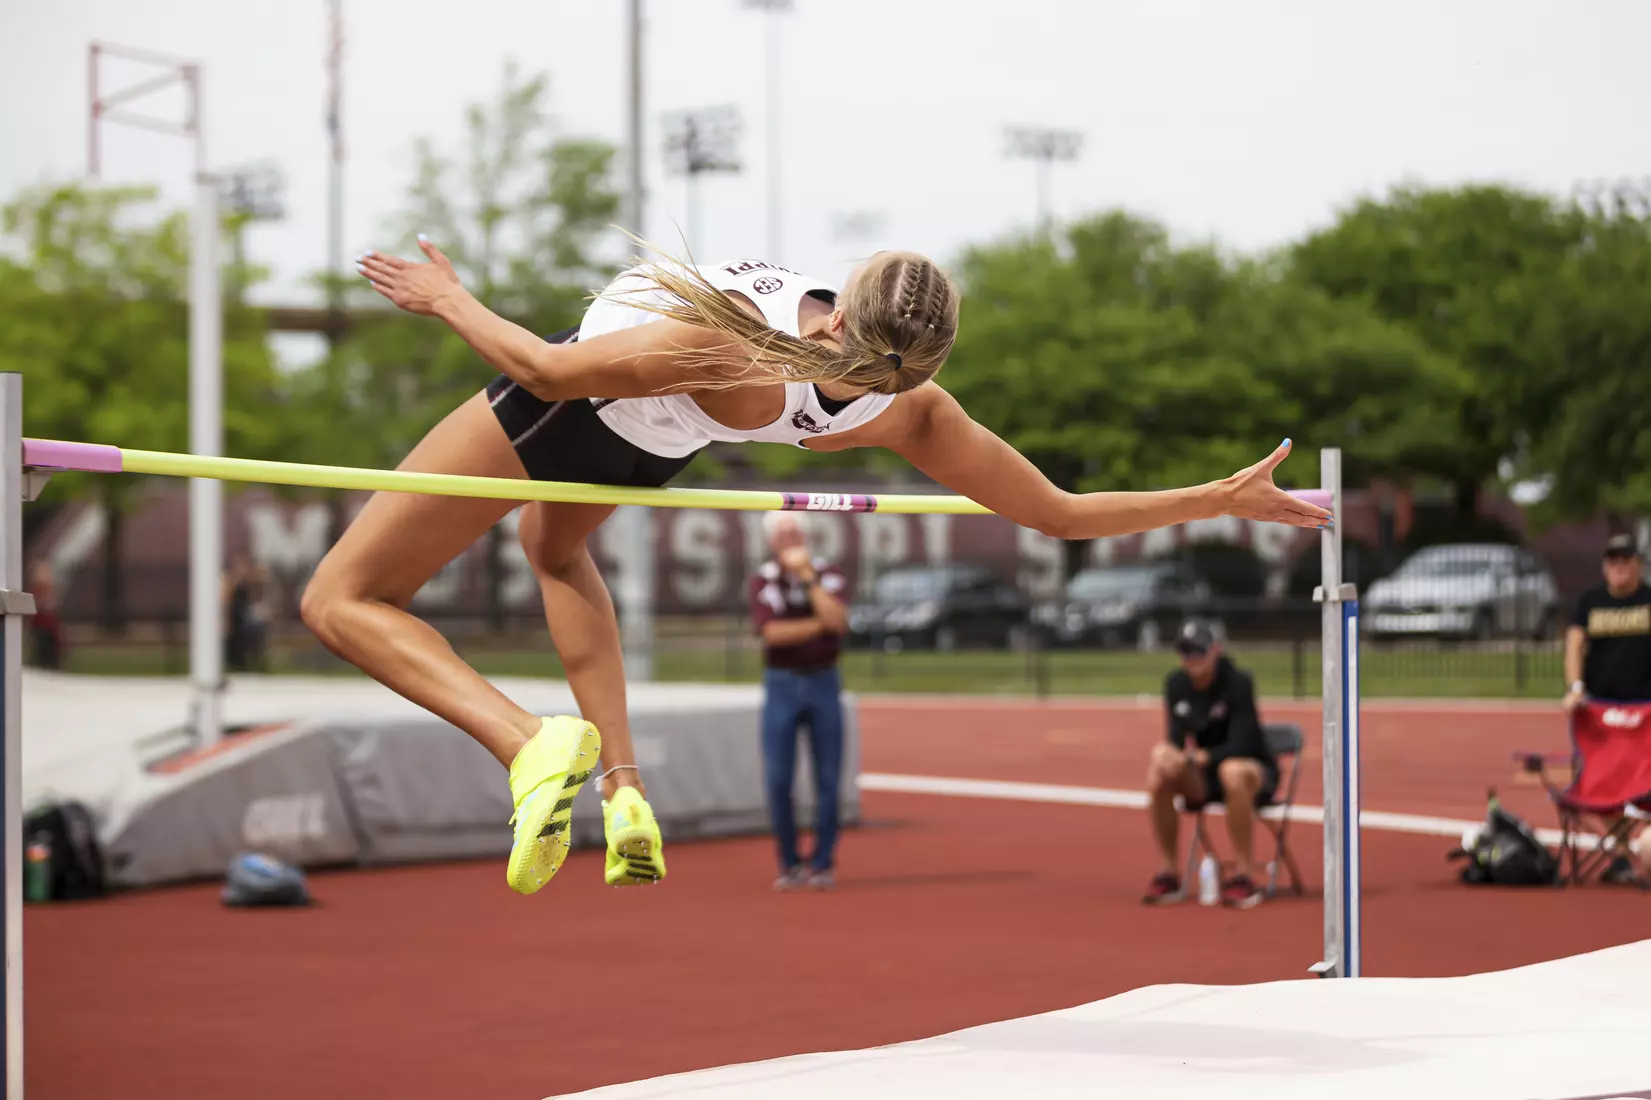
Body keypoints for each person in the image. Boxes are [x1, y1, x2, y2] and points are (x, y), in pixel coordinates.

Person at [319, 237, 1329, 899]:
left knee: (344, 598)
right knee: (554, 549)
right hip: (655, 445)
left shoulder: (732, 343)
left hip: (579, 409)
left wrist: (448, 298)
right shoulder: (910, 409)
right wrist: (1213, 496)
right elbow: (1057, 514)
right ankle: (622, 787)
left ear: (842, 311)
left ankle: (527, 741)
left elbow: (543, 372)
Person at [1142, 619, 1279, 909]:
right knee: (1159, 773)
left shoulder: (1237, 682)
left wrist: (1197, 757)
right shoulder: (1176, 683)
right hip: (1205, 777)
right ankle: (1169, 871)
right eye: (1185, 651)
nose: (1192, 658)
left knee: (1232, 770)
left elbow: (1241, 745)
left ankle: (1244, 874)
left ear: (1215, 650)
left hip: (1251, 770)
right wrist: (1167, 754)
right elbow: (1176, 739)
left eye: (1198, 650)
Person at [749, 513, 850, 891]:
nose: (791, 540)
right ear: (771, 541)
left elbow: (837, 620)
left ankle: (822, 862)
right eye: (783, 534)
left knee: (829, 777)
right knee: (778, 778)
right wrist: (819, 624)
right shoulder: (763, 580)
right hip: (782, 684)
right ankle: (789, 861)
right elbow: (772, 633)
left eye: (796, 532)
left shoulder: (827, 574)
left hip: (824, 680)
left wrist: (808, 578)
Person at [1562, 533, 1651, 883]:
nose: (1619, 567)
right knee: (1597, 785)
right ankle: (1623, 855)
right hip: (1601, 716)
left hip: (1644, 715)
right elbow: (1574, 644)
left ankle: (1631, 853)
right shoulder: (1591, 602)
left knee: (1638, 784)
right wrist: (1575, 688)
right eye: (1613, 561)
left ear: (1638, 565)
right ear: (1604, 566)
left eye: (1626, 560)